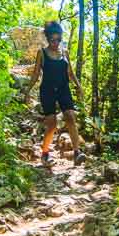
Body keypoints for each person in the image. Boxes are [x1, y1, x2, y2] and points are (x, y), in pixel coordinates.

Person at [24, 20, 86, 166]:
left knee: (70, 116)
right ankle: (45, 154)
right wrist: (27, 91)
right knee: (52, 124)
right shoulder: (42, 53)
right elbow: (35, 74)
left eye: (58, 39)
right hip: (47, 90)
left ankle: (77, 152)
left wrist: (79, 86)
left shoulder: (65, 52)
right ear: (48, 38)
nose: (56, 42)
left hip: (63, 88)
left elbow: (70, 72)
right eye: (53, 39)